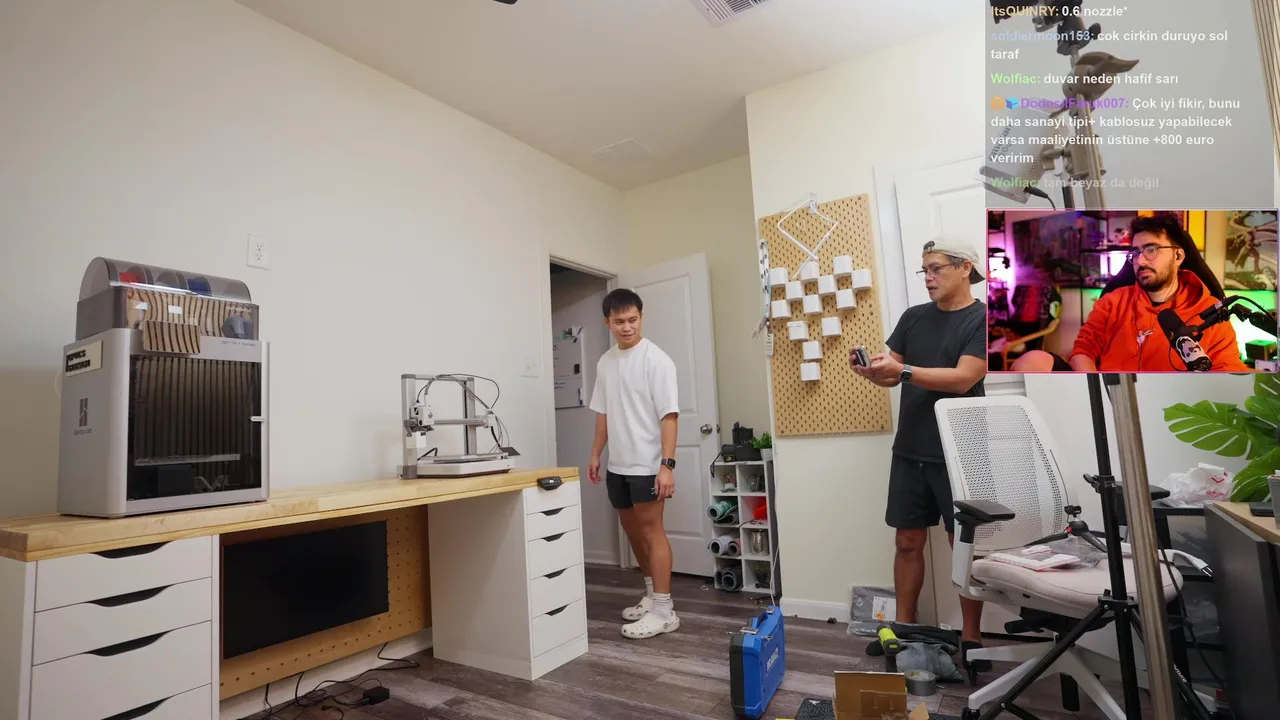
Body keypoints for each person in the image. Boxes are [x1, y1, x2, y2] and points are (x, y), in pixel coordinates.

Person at [851, 240, 991, 671]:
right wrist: (872, 371)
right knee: (907, 541)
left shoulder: (984, 319)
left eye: (936, 268)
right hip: (911, 447)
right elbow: (891, 374)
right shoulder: (913, 317)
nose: (928, 278)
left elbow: (965, 377)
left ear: (965, 268)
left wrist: (904, 371)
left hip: (959, 450)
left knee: (963, 546)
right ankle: (902, 629)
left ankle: (972, 638)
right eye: (924, 270)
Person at [1012, 214, 1247, 373]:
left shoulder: (1211, 313)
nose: (1140, 261)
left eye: (1151, 250)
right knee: (1032, 361)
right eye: (1134, 253)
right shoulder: (1113, 301)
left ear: (1178, 256)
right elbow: (1083, 350)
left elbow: (1227, 372)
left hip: (1171, 406)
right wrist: (1095, 393)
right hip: (1108, 395)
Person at [587, 288, 682, 640]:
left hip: (647, 464)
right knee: (632, 532)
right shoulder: (605, 362)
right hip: (618, 465)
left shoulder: (657, 360)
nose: (627, 327)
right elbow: (603, 413)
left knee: (653, 532)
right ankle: (651, 596)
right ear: (607, 323)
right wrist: (596, 453)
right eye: (619, 322)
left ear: (641, 318)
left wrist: (667, 465)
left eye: (632, 320)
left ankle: (664, 611)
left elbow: (669, 416)